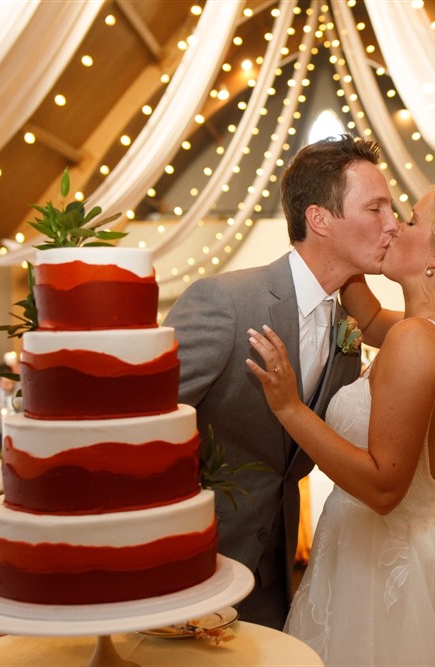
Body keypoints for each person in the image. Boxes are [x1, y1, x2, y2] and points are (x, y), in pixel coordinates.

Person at [246, 183, 435, 665]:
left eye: (410, 220)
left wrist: (290, 408)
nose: (394, 226)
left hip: (384, 563)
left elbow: (385, 489)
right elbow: (365, 319)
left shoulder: (417, 339)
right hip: (421, 540)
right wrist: (343, 248)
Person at [164, 135, 397, 628]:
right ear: (320, 219)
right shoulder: (224, 303)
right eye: (376, 208)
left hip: (275, 572)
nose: (392, 225)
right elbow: (144, 425)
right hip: (188, 567)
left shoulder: (348, 328)